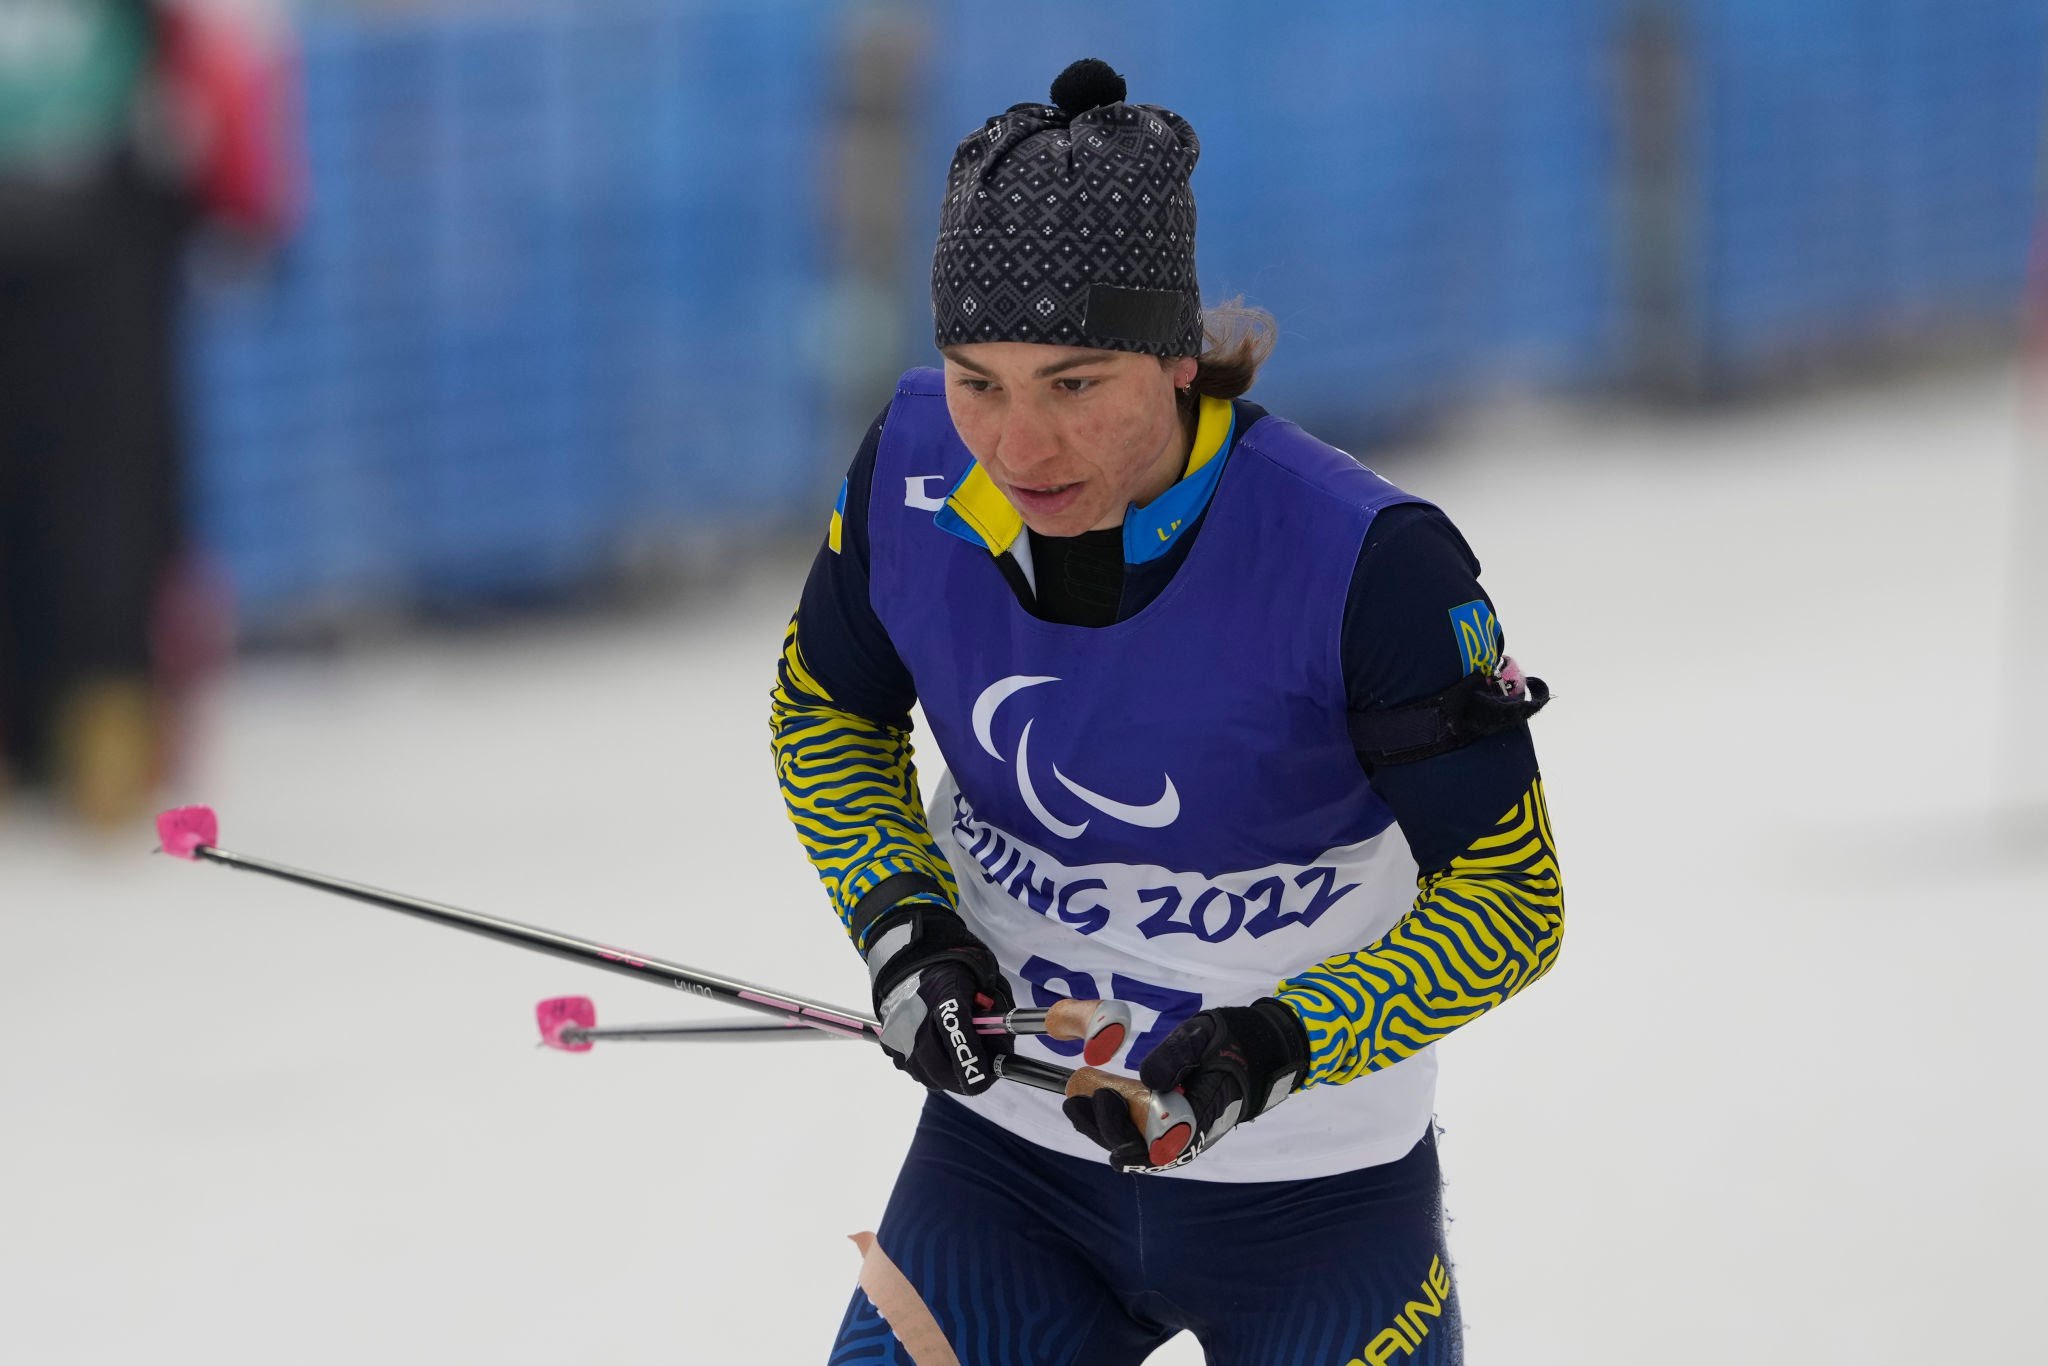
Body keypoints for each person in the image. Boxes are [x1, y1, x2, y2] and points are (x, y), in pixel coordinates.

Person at [771, 58, 1563, 1366]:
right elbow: (824, 712)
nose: (1017, 448)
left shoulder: (1368, 561)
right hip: (1009, 1178)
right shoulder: (912, 468)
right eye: (976, 380)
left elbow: (1510, 901)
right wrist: (908, 926)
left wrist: (1271, 1045)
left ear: (1178, 358)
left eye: (1074, 384)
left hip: (1316, 1205)